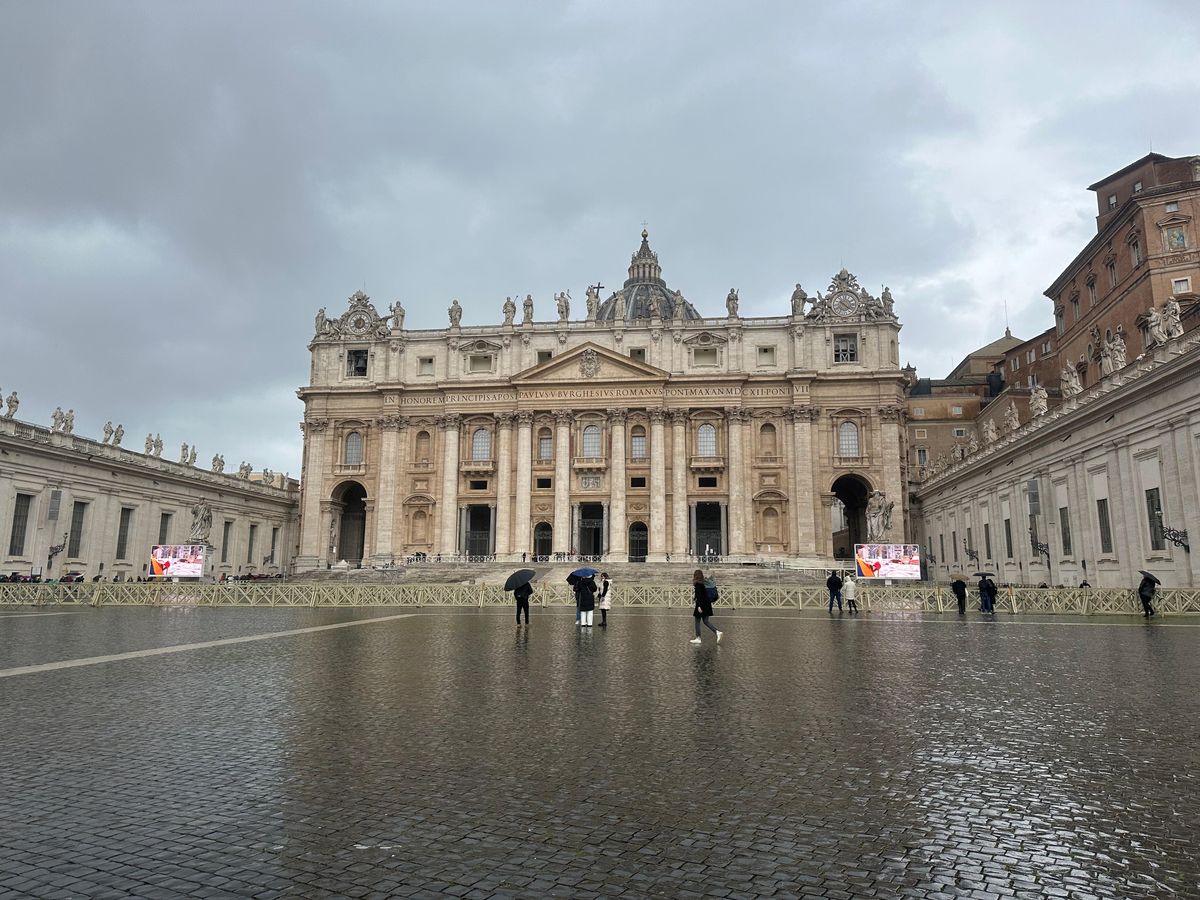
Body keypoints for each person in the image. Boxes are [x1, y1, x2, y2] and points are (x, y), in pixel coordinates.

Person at [690, 569, 722, 644]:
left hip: (701, 605)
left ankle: (698, 638)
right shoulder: (703, 583)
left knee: (697, 621)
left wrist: (699, 606)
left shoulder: (698, 584)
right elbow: (703, 594)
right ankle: (717, 632)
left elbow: (700, 596)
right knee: (706, 621)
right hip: (707, 604)